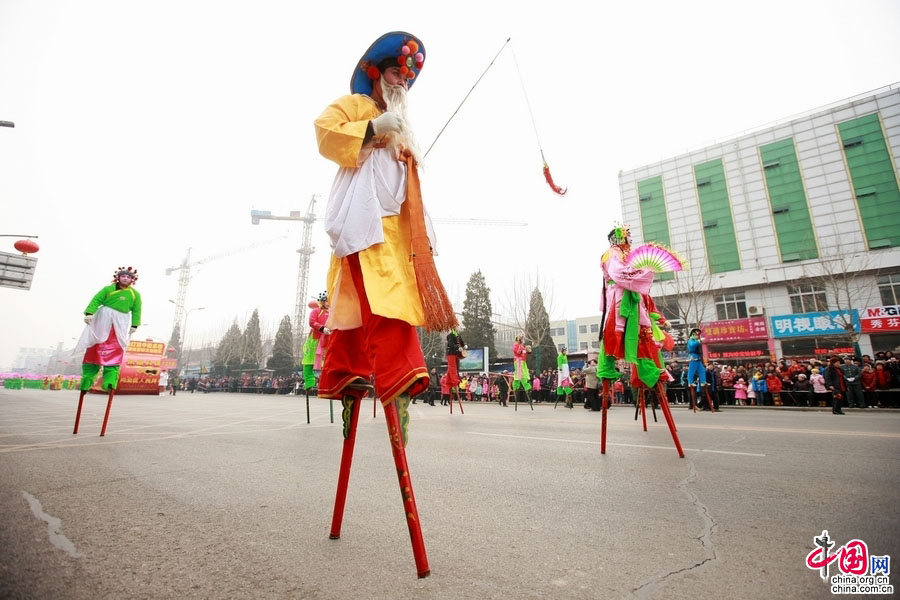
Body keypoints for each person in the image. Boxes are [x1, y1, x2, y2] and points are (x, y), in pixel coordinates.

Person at [314, 31, 452, 577]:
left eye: (408, 78)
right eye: (397, 72)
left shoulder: (408, 130)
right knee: (371, 317)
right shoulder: (354, 106)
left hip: (398, 240)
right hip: (363, 232)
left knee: (397, 314)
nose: (402, 82)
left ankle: (397, 398)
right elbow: (325, 134)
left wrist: (404, 146)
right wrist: (373, 129)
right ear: (376, 71)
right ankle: (357, 386)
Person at [74, 266, 142, 392]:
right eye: (123, 276)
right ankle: (87, 379)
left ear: (132, 280)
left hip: (121, 321)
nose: (125, 278)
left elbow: (137, 310)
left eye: (128, 277)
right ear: (118, 277)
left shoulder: (135, 294)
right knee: (95, 344)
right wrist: (90, 313)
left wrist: (134, 325)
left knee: (116, 348)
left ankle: (110, 380)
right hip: (104, 318)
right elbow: (96, 300)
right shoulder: (108, 289)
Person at [302, 292, 331, 395]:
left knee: (328, 362)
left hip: (328, 341)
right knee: (309, 360)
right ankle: (309, 381)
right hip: (315, 339)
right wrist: (322, 328)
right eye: (326, 300)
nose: (328, 302)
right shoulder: (316, 311)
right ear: (322, 301)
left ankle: (327, 383)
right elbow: (312, 322)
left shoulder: (333, 313)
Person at [512, 335, 533, 405]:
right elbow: (517, 351)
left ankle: (527, 388)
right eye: (521, 338)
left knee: (524, 375)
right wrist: (523, 350)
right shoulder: (516, 345)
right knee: (519, 375)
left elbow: (525, 353)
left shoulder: (522, 346)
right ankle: (516, 387)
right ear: (518, 339)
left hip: (523, 362)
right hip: (518, 362)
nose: (522, 340)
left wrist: (527, 351)